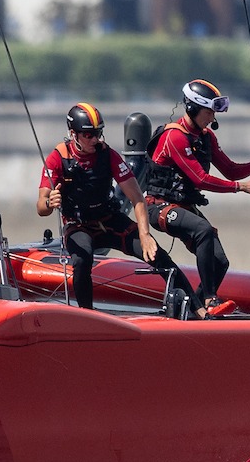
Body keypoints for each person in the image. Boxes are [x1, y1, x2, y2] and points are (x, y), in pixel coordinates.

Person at [144, 78, 250, 318]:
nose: (212, 118)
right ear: (192, 109)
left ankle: (193, 309)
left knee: (220, 262)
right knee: (203, 229)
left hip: (183, 205)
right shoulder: (174, 137)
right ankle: (209, 299)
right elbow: (200, 179)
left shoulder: (206, 137)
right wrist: (241, 188)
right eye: (208, 112)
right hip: (158, 207)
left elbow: (230, 169)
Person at [36, 101, 171, 310]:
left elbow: (137, 198)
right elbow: (41, 208)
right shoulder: (58, 158)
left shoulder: (108, 155)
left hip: (109, 220)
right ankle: (87, 315)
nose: (95, 139)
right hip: (78, 225)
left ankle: (197, 307)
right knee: (81, 261)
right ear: (74, 134)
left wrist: (145, 236)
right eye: (88, 135)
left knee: (157, 254)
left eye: (98, 133)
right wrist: (49, 202)